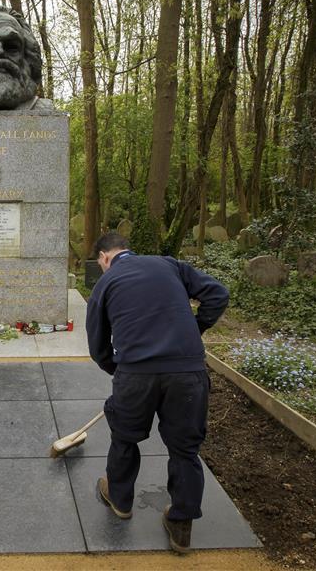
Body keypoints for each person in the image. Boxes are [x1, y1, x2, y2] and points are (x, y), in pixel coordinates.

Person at [85, 232, 229, 554]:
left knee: (124, 437)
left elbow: (97, 346)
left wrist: (120, 371)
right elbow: (217, 294)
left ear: (105, 257)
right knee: (185, 451)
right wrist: (195, 328)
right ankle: (181, 526)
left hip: (136, 374)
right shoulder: (170, 265)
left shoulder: (106, 283)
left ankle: (120, 500)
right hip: (187, 375)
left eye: (100, 264)